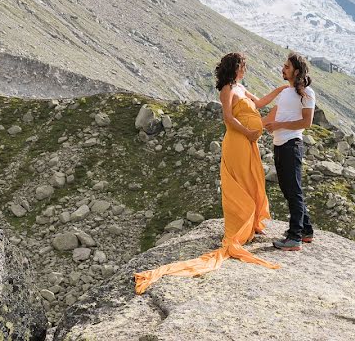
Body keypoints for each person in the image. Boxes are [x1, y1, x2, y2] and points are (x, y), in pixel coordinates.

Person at [134, 52, 288, 293]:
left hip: (249, 141)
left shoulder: (240, 86)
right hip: (238, 140)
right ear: (235, 68)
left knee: (251, 178)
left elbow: (258, 104)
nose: (245, 70)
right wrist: (248, 133)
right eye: (243, 66)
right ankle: (239, 227)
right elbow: (228, 117)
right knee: (239, 180)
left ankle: (250, 223)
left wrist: (281, 90)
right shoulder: (226, 90)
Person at [262, 52, 315, 251]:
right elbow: (273, 114)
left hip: (292, 144)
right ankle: (306, 230)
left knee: (293, 190)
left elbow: (306, 122)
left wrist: (279, 125)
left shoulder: (307, 92)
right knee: (288, 189)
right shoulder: (285, 92)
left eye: (287, 67)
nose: (283, 69)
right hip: (279, 144)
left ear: (297, 71)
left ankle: (294, 238)